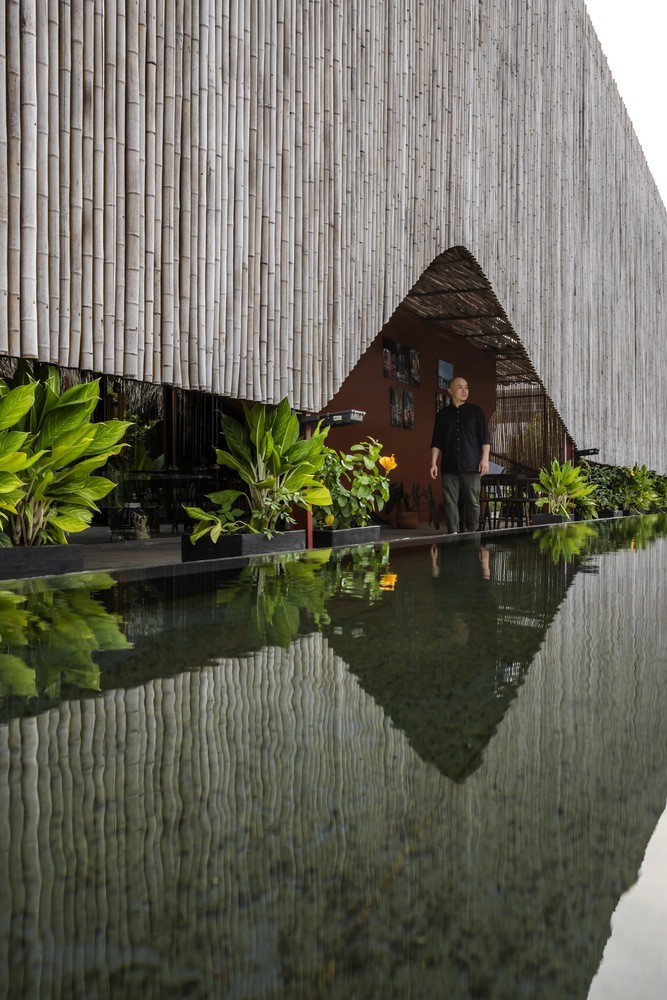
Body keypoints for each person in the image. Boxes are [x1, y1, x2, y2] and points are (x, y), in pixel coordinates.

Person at [429, 376, 491, 532]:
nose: (464, 390)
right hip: (449, 465)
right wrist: (433, 463)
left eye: (466, 387)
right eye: (459, 387)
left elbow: (485, 439)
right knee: (450, 502)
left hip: (471, 465)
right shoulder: (442, 415)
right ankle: (453, 534)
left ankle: (473, 533)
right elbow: (437, 442)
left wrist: (485, 460)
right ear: (450, 390)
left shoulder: (476, 412)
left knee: (473, 501)